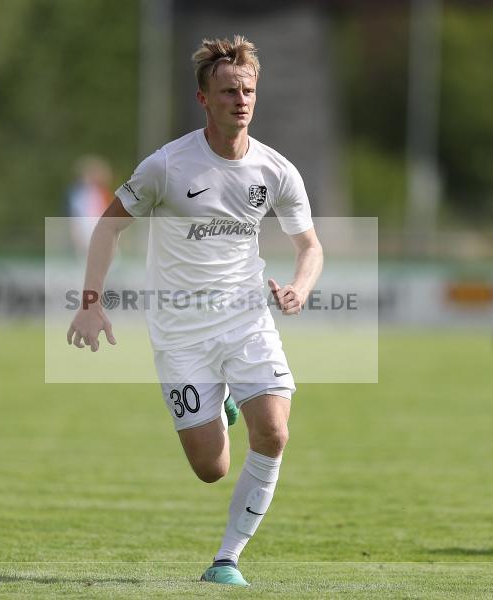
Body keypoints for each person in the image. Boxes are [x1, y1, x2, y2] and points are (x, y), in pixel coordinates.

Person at [66, 36, 323, 586]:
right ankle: (222, 400)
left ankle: (227, 560)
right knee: (212, 468)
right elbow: (109, 226)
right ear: (204, 98)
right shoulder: (167, 165)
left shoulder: (277, 171)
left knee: (274, 433)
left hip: (247, 319)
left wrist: (300, 288)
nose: (241, 99)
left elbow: (311, 247)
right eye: (229, 90)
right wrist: (91, 302)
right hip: (180, 332)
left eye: (249, 89)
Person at [66, 156, 114, 256]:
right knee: (86, 252)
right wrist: (76, 229)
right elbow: (77, 213)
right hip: (86, 226)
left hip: (100, 225)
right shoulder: (79, 192)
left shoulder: (102, 192)